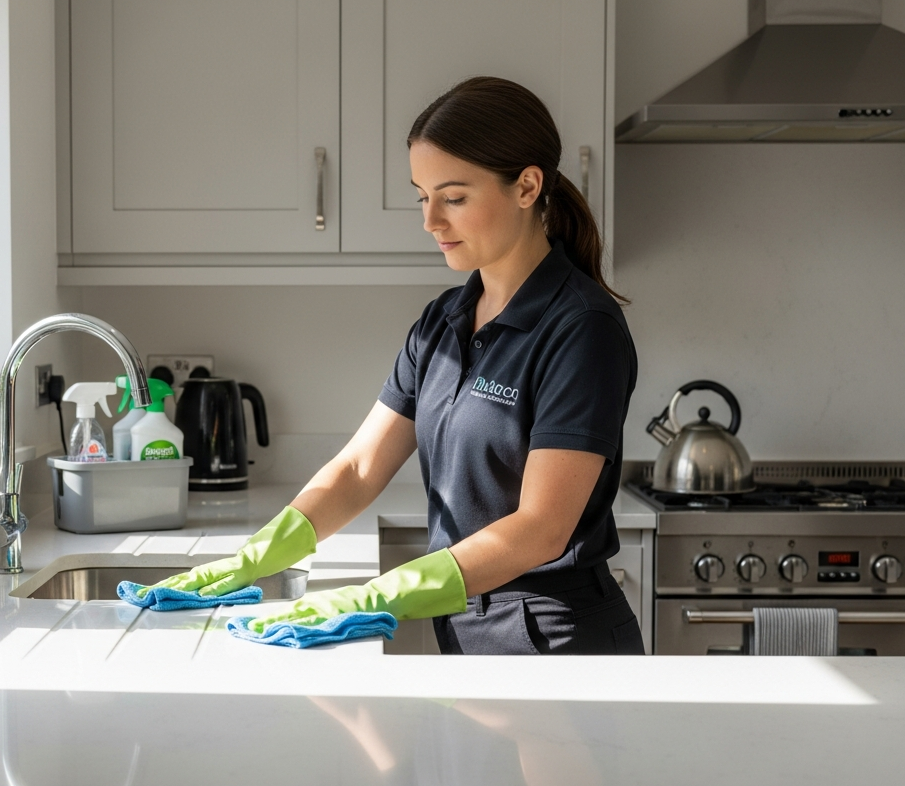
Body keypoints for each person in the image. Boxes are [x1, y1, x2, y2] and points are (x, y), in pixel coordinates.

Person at [142, 76, 641, 655]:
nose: (431, 220)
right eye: (421, 195)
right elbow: (357, 468)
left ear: (527, 186)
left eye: (453, 197)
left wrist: (376, 595)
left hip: (556, 642)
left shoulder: (581, 327)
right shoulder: (445, 321)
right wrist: (257, 556)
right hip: (465, 631)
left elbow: (541, 529)